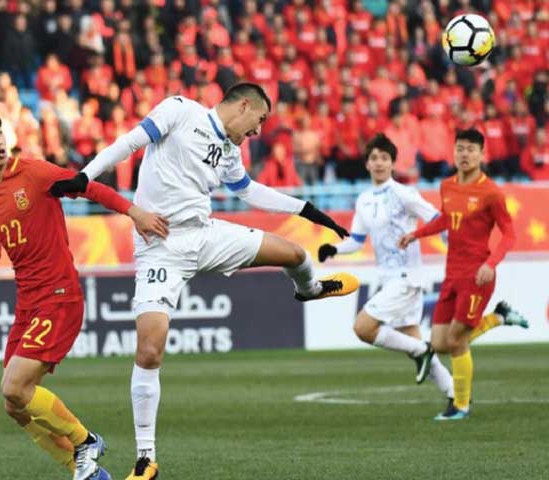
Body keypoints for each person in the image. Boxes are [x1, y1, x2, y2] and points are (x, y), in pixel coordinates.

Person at [50, 83, 356, 479]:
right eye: (260, 120)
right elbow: (129, 143)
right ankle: (146, 459)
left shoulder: (230, 151)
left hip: (206, 236)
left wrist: (308, 210)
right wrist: (85, 177)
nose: (258, 132)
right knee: (149, 351)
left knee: (295, 254)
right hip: (160, 245)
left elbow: (249, 192)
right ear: (244, 105)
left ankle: (310, 289)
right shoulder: (180, 110)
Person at [0, 108, 169, 480]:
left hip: (59, 295)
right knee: (15, 404)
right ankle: (87, 472)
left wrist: (134, 211)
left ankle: (85, 440)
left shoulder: (34, 172)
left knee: (15, 385)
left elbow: (87, 185)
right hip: (27, 302)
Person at [399, 129, 528, 420]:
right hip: (451, 273)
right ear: (453, 152)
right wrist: (416, 234)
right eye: (460, 149)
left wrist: (490, 264)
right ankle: (499, 317)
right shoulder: (447, 186)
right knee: (441, 343)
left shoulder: (491, 192)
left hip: (477, 275)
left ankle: (461, 405)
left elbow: (509, 234)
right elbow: (446, 219)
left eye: (471, 149)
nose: (464, 154)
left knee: (456, 341)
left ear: (482, 154)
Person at [318, 133, 456, 404]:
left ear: (393, 163)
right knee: (411, 341)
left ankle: (423, 351)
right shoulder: (364, 200)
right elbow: (357, 241)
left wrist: (445, 239)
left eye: (384, 158)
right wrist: (334, 249)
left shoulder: (404, 194)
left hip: (406, 277)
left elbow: (437, 219)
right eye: (374, 158)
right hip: (390, 278)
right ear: (367, 164)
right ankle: (456, 395)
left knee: (363, 328)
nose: (379, 163)